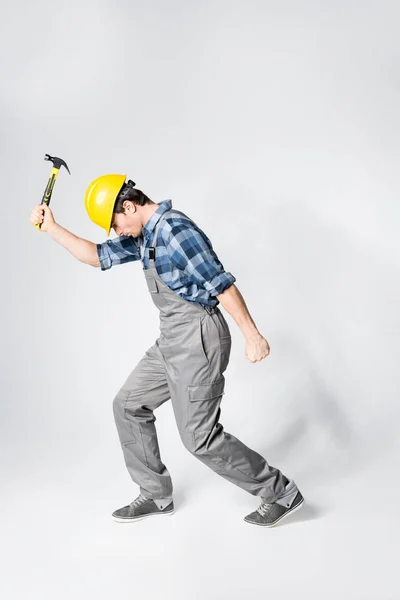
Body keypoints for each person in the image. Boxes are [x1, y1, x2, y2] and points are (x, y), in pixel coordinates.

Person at [30, 173, 304, 527]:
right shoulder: (145, 235)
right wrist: (52, 228)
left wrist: (253, 335)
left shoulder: (175, 231)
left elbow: (221, 284)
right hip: (172, 339)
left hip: (198, 337)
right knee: (128, 404)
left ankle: (280, 492)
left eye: (115, 223)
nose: (116, 232)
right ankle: (156, 495)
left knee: (199, 439)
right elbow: (96, 256)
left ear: (129, 206)